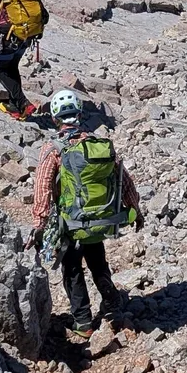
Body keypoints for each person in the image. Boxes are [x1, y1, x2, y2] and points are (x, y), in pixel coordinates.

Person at [33, 88, 140, 335]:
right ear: (80, 113)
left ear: (54, 118)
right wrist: (134, 207)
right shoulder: (98, 144)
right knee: (96, 258)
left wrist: (39, 223)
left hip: (69, 221)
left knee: (71, 267)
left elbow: (43, 187)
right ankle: (110, 297)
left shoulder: (54, 148)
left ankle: (82, 322)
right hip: (99, 218)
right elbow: (123, 178)